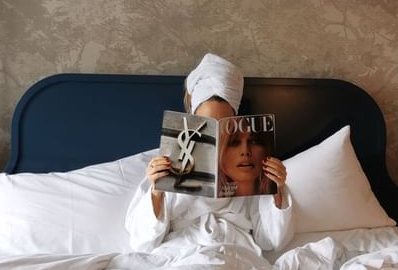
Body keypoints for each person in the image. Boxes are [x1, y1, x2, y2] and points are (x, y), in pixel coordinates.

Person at [124, 53, 295, 255]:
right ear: (193, 119)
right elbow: (142, 243)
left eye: (224, 123)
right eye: (206, 123)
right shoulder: (168, 162)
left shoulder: (252, 162)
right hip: (180, 253)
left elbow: (269, 242)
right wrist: (157, 190)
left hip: (235, 253)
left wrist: (276, 191)